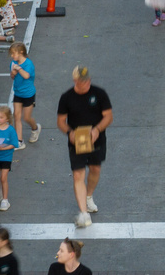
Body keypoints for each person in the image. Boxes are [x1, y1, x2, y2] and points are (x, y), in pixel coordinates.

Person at [56, 65, 113, 228]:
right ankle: (84, 213)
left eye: (87, 80)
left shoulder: (99, 94)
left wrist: (97, 130)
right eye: (82, 81)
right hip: (77, 141)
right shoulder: (66, 97)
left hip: (97, 140)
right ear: (75, 81)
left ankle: (88, 196)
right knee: (78, 174)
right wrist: (70, 133)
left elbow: (108, 116)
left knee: (95, 169)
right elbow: (61, 121)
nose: (86, 83)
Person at [9, 43, 40, 148]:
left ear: (21, 52)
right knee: (16, 116)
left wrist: (18, 69)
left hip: (28, 94)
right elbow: (12, 76)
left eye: (13, 53)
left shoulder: (28, 64)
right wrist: (13, 73)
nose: (12, 56)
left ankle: (35, 128)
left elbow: (26, 76)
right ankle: (19, 141)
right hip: (18, 93)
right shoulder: (13, 63)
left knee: (26, 118)